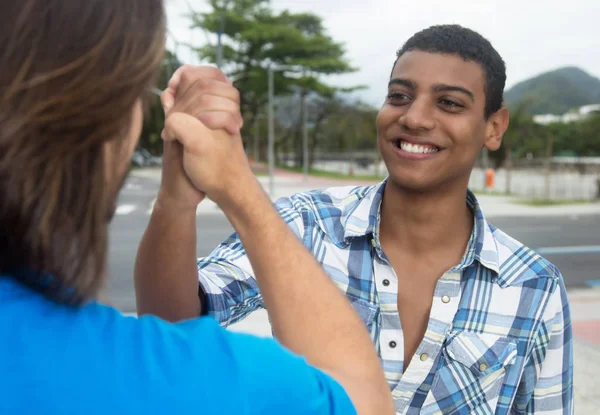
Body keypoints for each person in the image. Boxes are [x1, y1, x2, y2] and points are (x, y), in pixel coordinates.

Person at [136, 24, 574, 414]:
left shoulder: (534, 288)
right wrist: (176, 202)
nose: (415, 117)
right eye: (399, 96)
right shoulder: (305, 224)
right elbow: (172, 326)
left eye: (449, 103)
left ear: (493, 127)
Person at [0, 1, 396, 414]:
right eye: (138, 93)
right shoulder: (183, 379)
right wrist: (236, 189)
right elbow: (362, 400)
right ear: (108, 122)